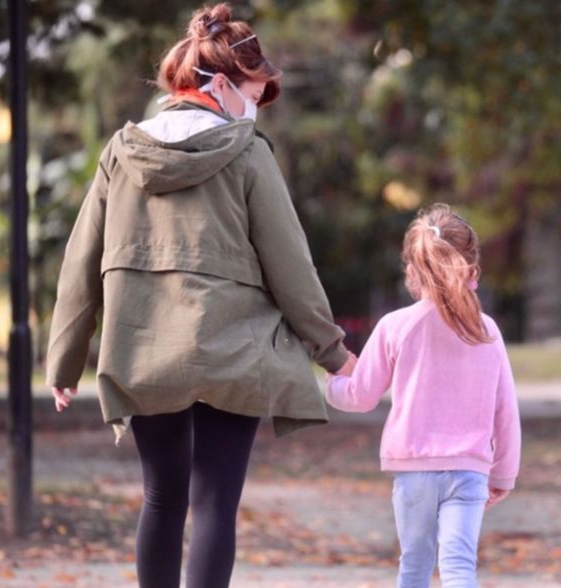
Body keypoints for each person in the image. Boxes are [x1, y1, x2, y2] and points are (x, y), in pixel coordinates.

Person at [44, 4, 355, 587]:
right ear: (220, 84)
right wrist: (332, 352)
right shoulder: (248, 152)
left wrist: (64, 360)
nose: (255, 111)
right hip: (232, 351)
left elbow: (81, 259)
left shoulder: (121, 151)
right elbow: (290, 263)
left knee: (161, 498)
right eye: (254, 95)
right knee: (215, 503)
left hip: (144, 349)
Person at [325, 203, 522, 588]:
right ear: (471, 266)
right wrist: (504, 474)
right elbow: (505, 409)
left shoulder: (395, 326)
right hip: (469, 469)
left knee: (414, 566)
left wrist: (334, 380)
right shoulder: (486, 331)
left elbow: (360, 396)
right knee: (459, 567)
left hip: (413, 469)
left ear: (412, 270)